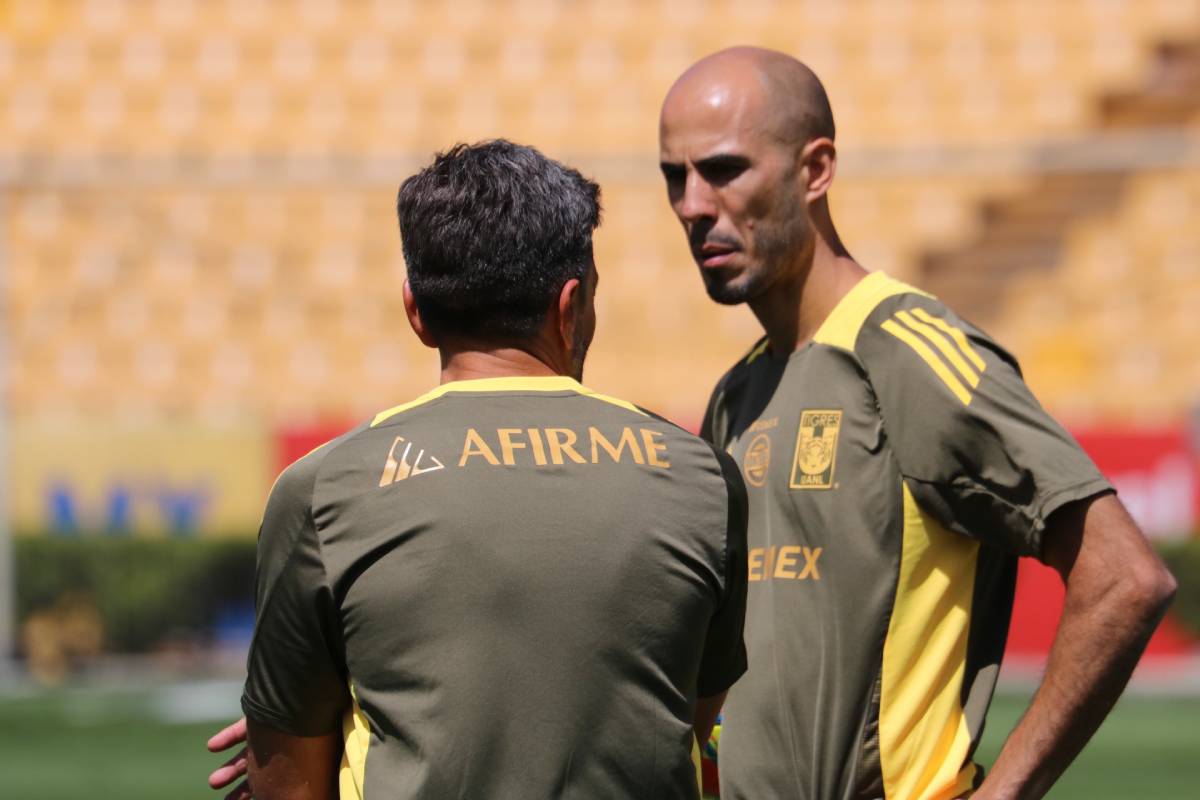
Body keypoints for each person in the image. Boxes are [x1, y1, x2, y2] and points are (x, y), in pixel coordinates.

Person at [657, 47, 1177, 799]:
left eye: (724, 169)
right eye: (676, 176)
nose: (691, 204)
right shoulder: (737, 391)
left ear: (816, 170)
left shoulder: (907, 352)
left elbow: (1125, 576)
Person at [220, 140, 749, 800]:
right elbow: (688, 722)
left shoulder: (322, 489)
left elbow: (288, 786)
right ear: (571, 305)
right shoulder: (703, 477)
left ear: (416, 312)